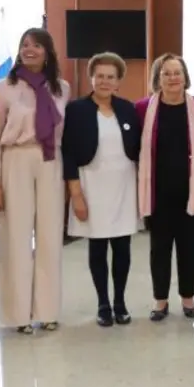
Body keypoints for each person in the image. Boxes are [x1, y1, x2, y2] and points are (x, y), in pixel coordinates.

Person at [0, 28, 70, 334]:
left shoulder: (61, 88)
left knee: (49, 238)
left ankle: (47, 310)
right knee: (16, 238)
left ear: (48, 51)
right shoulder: (2, 88)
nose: (29, 50)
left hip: (50, 161)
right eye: (24, 45)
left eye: (36, 45)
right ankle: (18, 314)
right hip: (15, 158)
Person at [61, 52, 142, 328]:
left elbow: (139, 149)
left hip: (123, 186)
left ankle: (120, 302)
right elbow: (68, 153)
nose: (105, 81)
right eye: (100, 76)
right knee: (97, 246)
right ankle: (103, 303)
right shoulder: (76, 109)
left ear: (119, 81)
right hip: (90, 185)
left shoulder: (129, 109)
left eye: (111, 77)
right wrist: (76, 194)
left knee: (122, 247)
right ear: (91, 78)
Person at [137, 54, 194, 322]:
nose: (172, 78)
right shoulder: (143, 109)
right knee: (159, 248)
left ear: (185, 76)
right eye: (166, 73)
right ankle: (160, 300)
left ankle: (188, 298)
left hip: (191, 190)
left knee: (188, 247)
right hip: (157, 192)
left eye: (177, 73)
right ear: (158, 77)